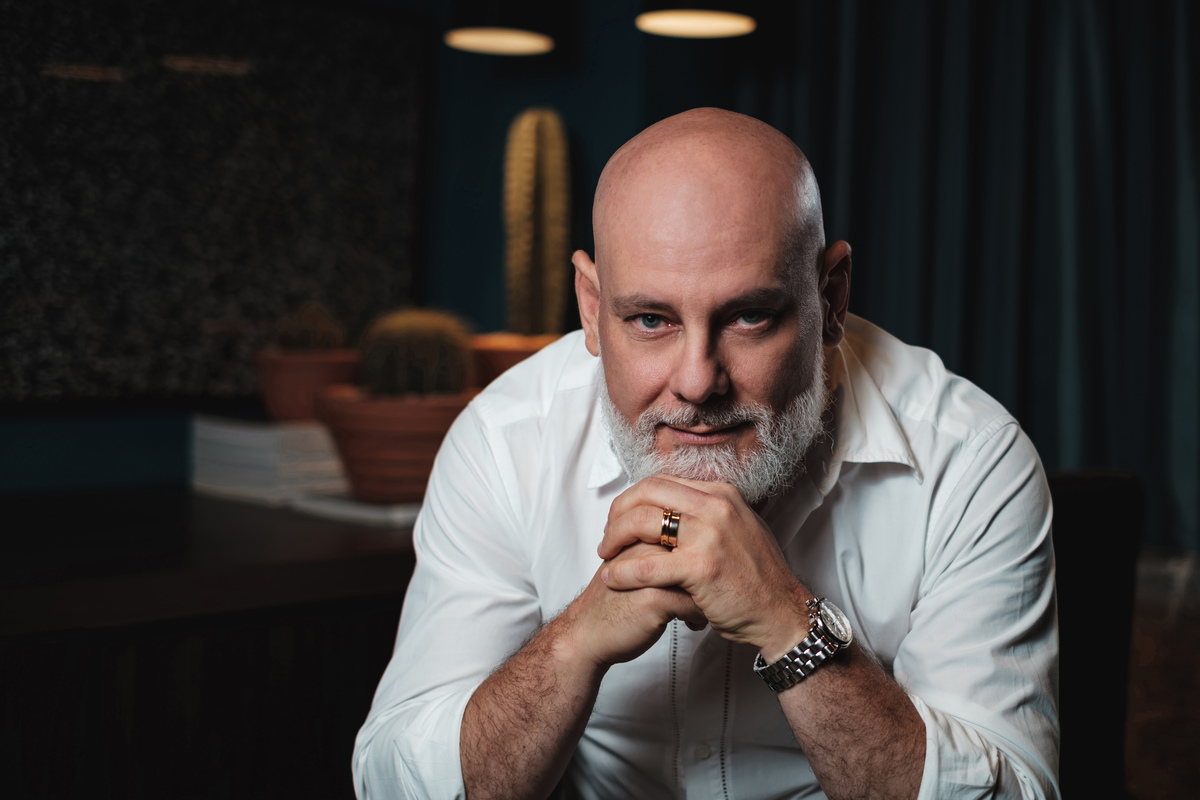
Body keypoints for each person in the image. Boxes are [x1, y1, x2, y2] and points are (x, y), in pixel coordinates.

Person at [353, 108, 1059, 800]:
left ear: (832, 298)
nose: (697, 382)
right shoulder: (505, 440)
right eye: (650, 320)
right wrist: (574, 642)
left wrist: (788, 620)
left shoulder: (969, 461)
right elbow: (392, 783)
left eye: (750, 316)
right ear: (592, 308)